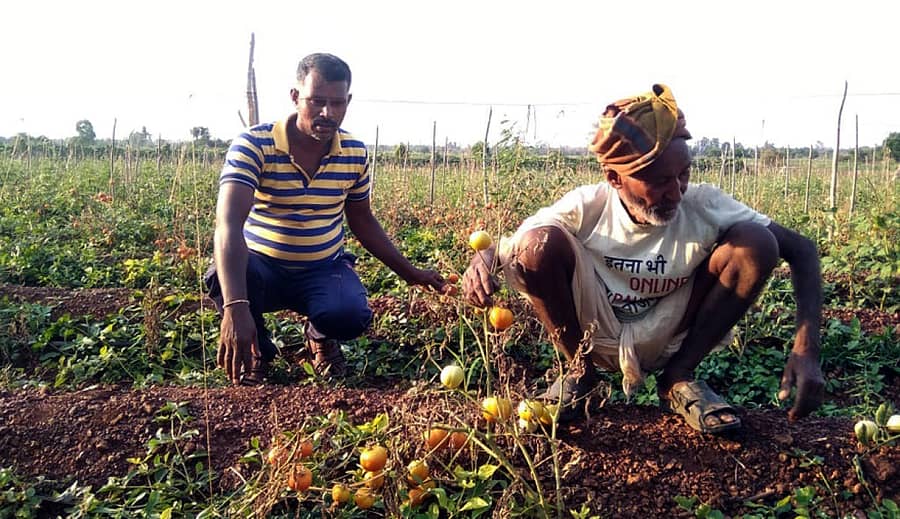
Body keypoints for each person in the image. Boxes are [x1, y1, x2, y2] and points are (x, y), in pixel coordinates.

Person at [462, 84, 824, 434]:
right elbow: (513, 245)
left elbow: (803, 250)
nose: (676, 192)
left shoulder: (704, 204)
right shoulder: (589, 206)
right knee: (537, 245)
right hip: (595, 332)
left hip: (671, 328)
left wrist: (806, 349)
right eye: (659, 181)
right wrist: (483, 260)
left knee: (757, 242)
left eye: (683, 174)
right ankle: (579, 374)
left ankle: (678, 377)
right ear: (614, 178)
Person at [207, 53, 445, 385]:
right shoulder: (254, 145)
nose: (327, 113)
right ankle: (256, 348)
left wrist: (410, 272)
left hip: (322, 268)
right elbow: (228, 225)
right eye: (317, 101)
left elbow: (362, 220)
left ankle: (320, 336)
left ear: (348, 101)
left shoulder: (354, 153)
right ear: (295, 97)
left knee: (349, 314)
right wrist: (235, 306)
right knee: (223, 275)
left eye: (337, 103)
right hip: (262, 268)